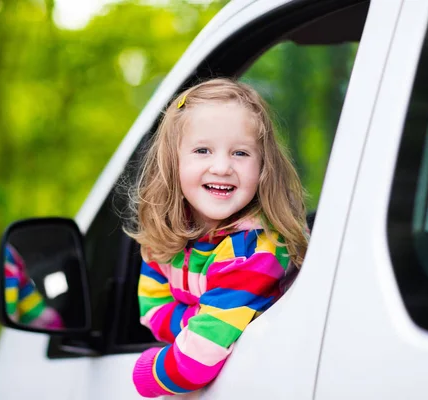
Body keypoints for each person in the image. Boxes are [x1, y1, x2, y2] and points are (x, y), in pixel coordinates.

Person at [124, 78, 308, 398]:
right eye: (202, 150)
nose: (222, 166)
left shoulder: (255, 251)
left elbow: (195, 363)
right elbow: (152, 308)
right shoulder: (164, 235)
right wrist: (200, 319)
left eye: (240, 152)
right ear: (174, 160)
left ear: (263, 166)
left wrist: (148, 374)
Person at [4, 244, 65, 329]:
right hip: (37, 316)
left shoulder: (5, 252)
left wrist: (11, 315)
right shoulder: (6, 250)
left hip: (38, 318)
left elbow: (12, 276)